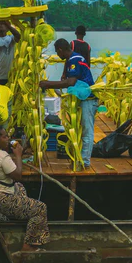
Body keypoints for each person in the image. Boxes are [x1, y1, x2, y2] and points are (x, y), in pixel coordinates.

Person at [0, 124, 49, 251]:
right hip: (0, 198)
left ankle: (7, 215)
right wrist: (18, 155)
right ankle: (29, 245)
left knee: (20, 187)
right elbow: (18, 175)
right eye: (4, 137)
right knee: (40, 208)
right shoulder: (2, 156)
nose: (8, 139)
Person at [39, 39, 97, 169]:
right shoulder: (72, 59)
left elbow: (70, 82)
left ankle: (85, 162)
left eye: (56, 52)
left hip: (89, 99)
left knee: (87, 130)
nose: (57, 55)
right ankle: (80, 159)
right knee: (81, 129)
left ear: (60, 50)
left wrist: (48, 84)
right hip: (82, 98)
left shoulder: (74, 60)